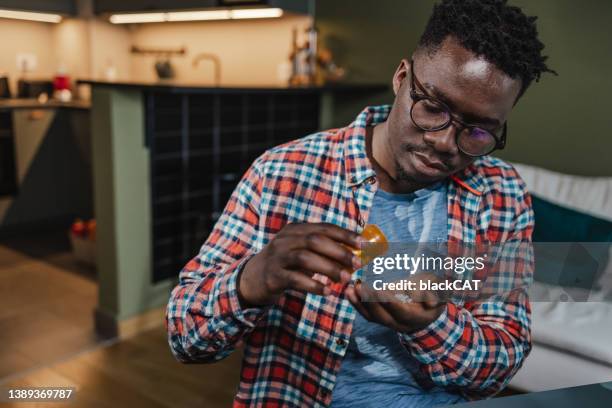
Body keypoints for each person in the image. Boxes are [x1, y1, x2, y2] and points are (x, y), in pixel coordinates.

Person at [166, 0, 556, 406]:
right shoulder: (282, 173)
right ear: (402, 77)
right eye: (433, 107)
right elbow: (185, 338)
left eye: (478, 131)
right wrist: (251, 281)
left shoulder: (501, 194)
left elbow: (502, 360)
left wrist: (433, 325)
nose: (444, 142)